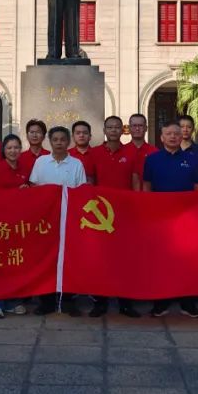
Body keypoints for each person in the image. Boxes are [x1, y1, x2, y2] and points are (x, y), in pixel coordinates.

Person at [143, 122, 198, 318]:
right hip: (160, 219)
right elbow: (147, 186)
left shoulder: (192, 159)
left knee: (187, 261)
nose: (172, 137)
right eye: (168, 134)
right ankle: (161, 302)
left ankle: (188, 303)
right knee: (161, 262)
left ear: (182, 137)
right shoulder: (152, 159)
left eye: (176, 134)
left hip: (186, 219)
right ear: (161, 137)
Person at [30, 126, 88, 316]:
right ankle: (46, 301)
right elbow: (34, 188)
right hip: (46, 219)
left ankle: (68, 300)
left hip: (69, 219)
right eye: (55, 140)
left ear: (68, 141)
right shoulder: (41, 162)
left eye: (63, 139)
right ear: (50, 141)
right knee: (46, 259)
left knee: (69, 259)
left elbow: (81, 192)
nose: (59, 143)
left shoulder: (76, 164)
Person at [87, 116, 141, 318]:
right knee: (101, 258)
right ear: (104, 130)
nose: (113, 130)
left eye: (117, 127)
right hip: (101, 215)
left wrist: (136, 206)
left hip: (125, 213)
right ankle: (100, 302)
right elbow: (90, 181)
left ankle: (125, 302)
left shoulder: (131, 152)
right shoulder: (94, 153)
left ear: (123, 130)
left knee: (124, 259)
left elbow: (135, 181)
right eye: (109, 127)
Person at [0, 134, 30, 319]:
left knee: (14, 262)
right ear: (4, 150)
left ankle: (13, 301)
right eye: (9, 148)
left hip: (18, 223)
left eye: (16, 147)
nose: (13, 151)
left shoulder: (25, 169)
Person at [126, 113, 159, 190]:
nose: (137, 128)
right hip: (126, 195)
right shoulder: (121, 151)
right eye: (134, 125)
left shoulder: (155, 152)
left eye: (140, 125)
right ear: (129, 128)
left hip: (149, 195)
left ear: (146, 128)